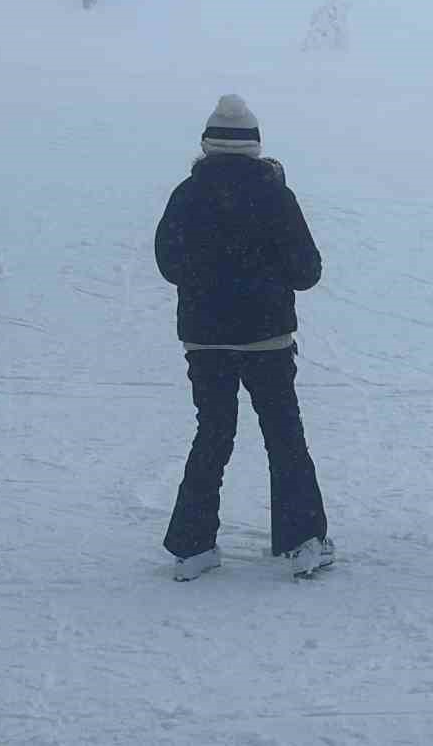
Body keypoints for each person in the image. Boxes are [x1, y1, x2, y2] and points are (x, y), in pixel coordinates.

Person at [154, 95, 332, 581]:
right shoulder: (276, 194)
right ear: (254, 144)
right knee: (283, 435)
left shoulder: (186, 195)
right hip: (266, 338)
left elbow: (168, 262)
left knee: (212, 433)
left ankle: (193, 546)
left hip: (205, 340)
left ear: (207, 144)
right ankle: (303, 541)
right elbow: (307, 271)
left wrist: (207, 281)